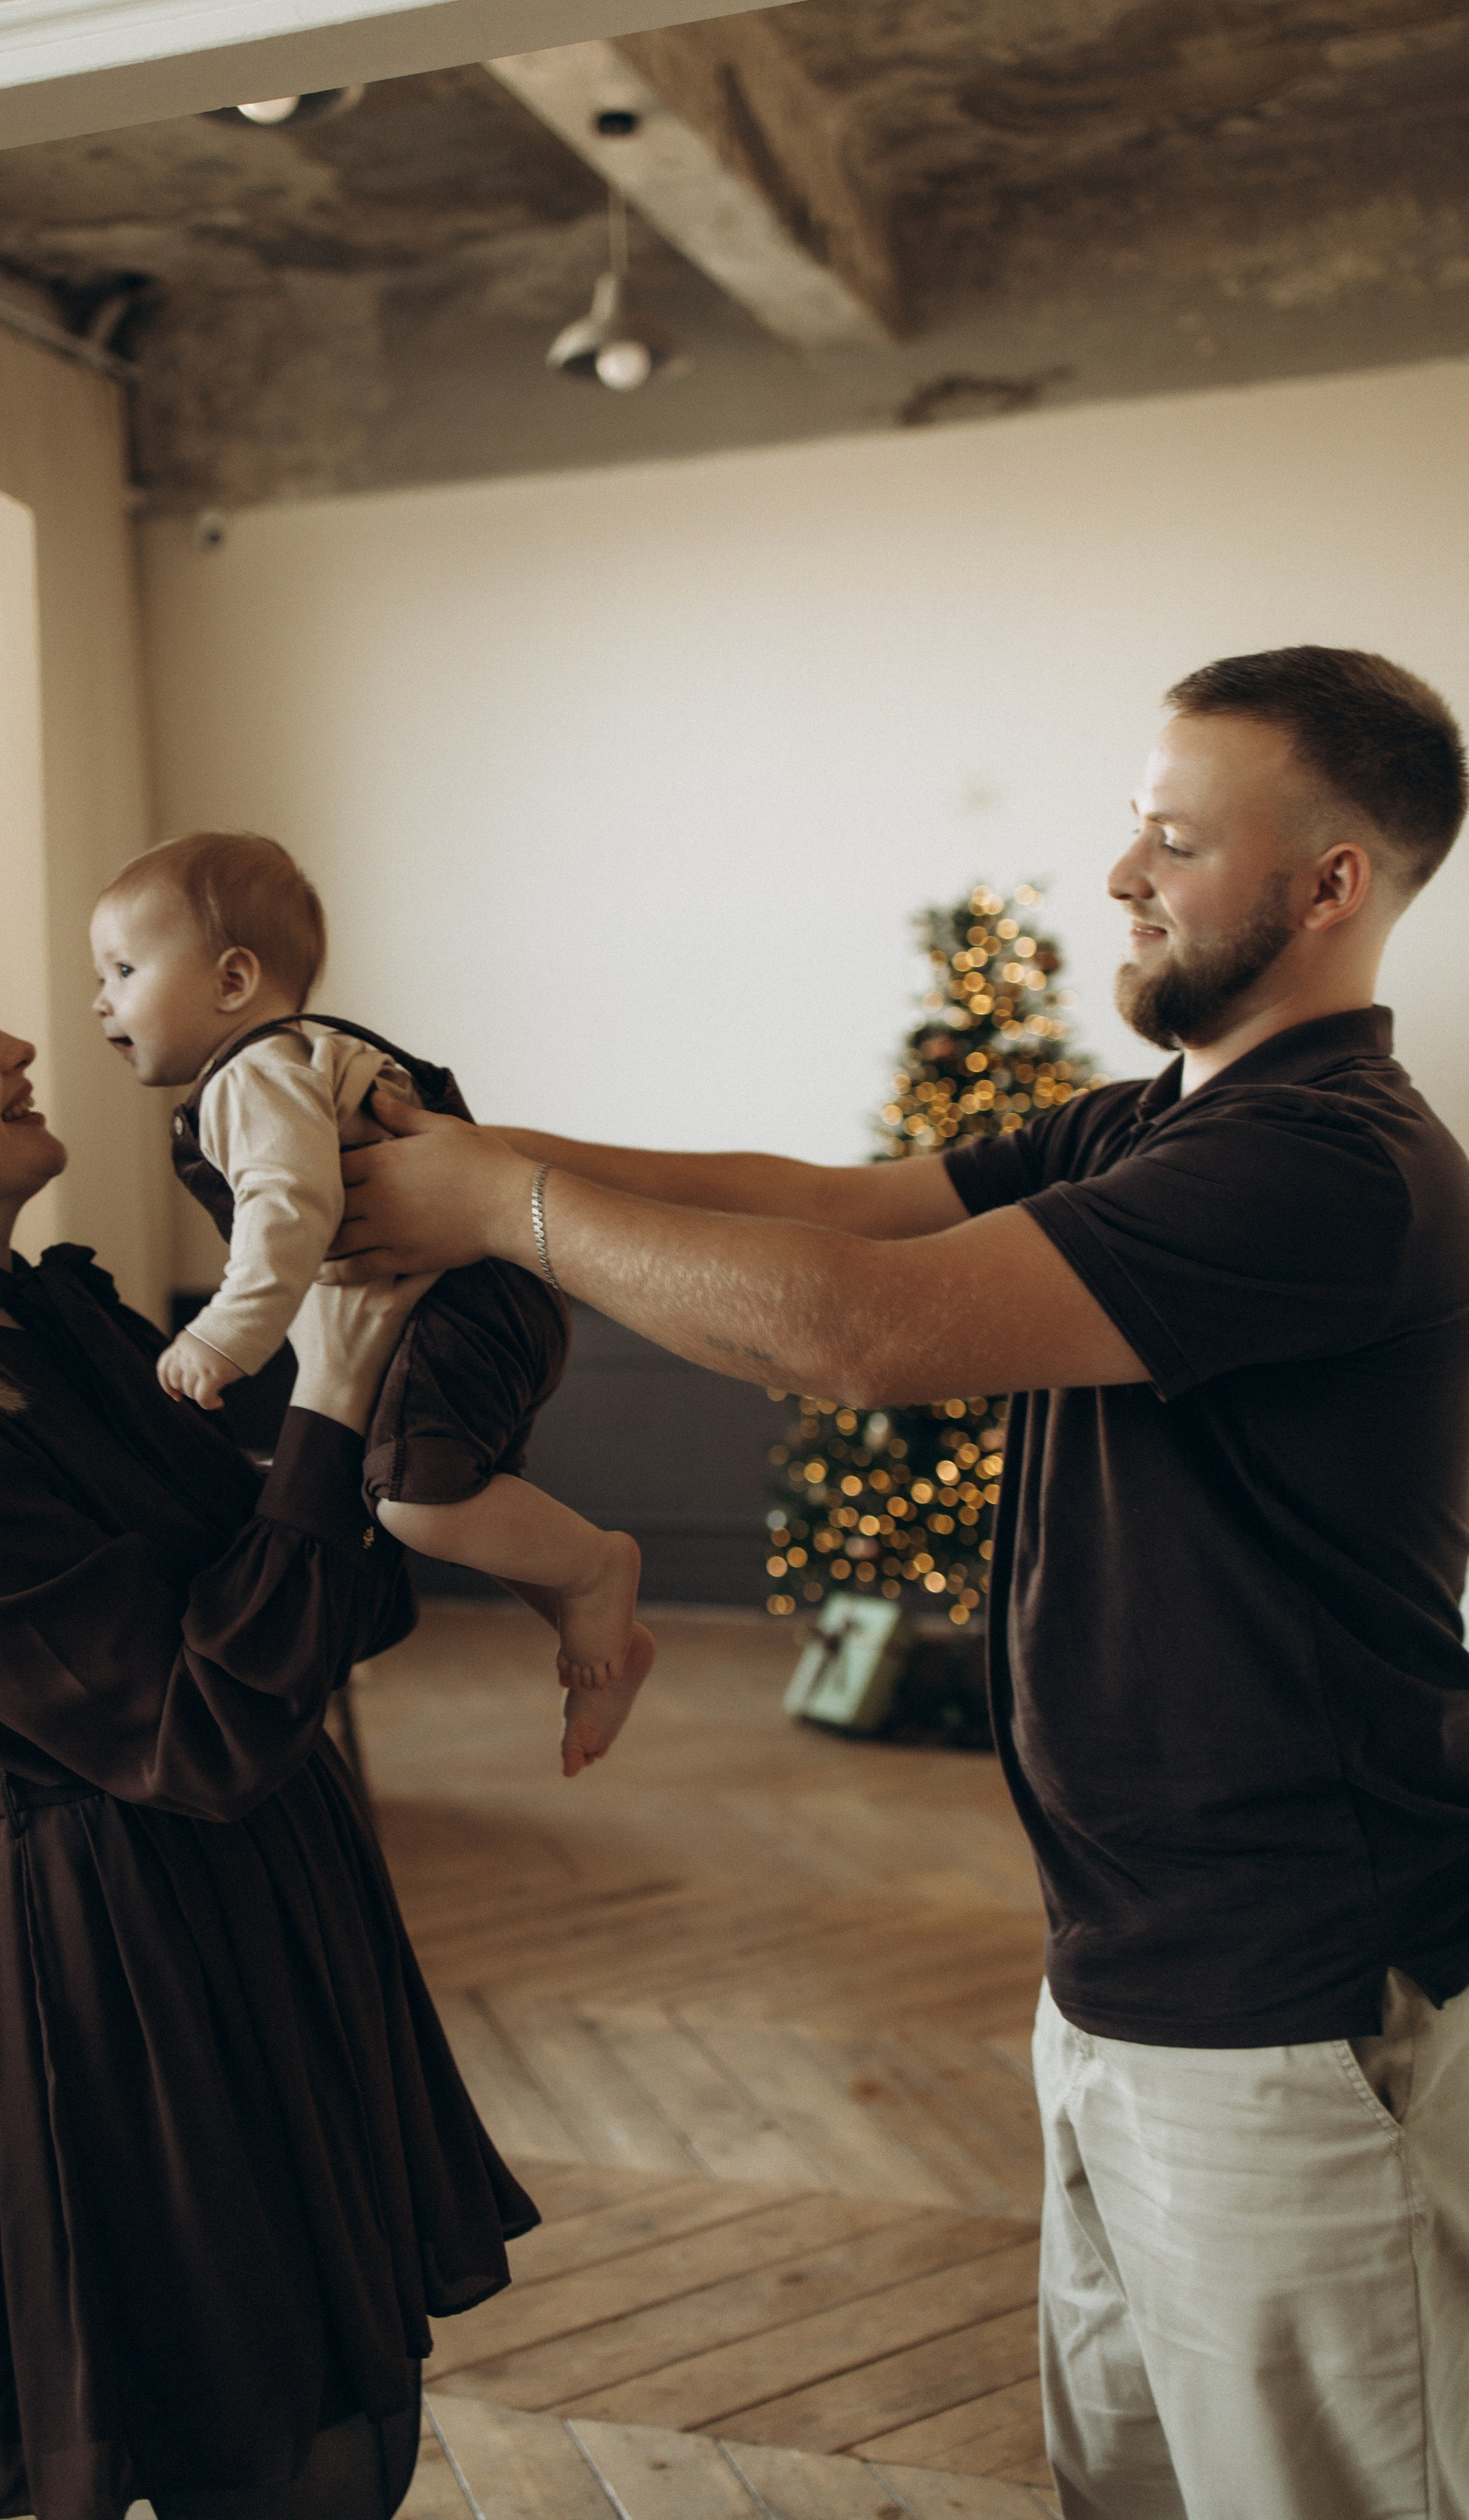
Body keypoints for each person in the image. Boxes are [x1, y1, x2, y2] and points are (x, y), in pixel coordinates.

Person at [322, 645, 1469, 2520]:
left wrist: (497, 1212)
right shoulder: (1153, 1124)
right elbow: (830, 1205)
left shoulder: (1328, 1162)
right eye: (1133, 833)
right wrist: (470, 1149)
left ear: (1331, 886)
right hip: (1131, 1977)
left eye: (1175, 842)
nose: (1121, 878)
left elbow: (861, 1329)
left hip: (1295, 2001)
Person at [0, 948, 539, 2520]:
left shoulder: (65, 1323)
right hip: (119, 1967)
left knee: (359, 2411)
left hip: (268, 1897)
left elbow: (341, 1614)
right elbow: (204, 1725)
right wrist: (331, 1399)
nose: (15, 1040)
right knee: (279, 2449)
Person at [90, 830, 653, 1776]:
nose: (101, 999)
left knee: (418, 1510)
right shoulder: (304, 1059)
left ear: (232, 981)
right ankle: (593, 1636)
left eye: (123, 968)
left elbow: (288, 1212)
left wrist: (223, 1338)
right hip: (486, 1299)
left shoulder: (252, 1075)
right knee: (472, 1497)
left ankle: (596, 1571)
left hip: (453, 1313)